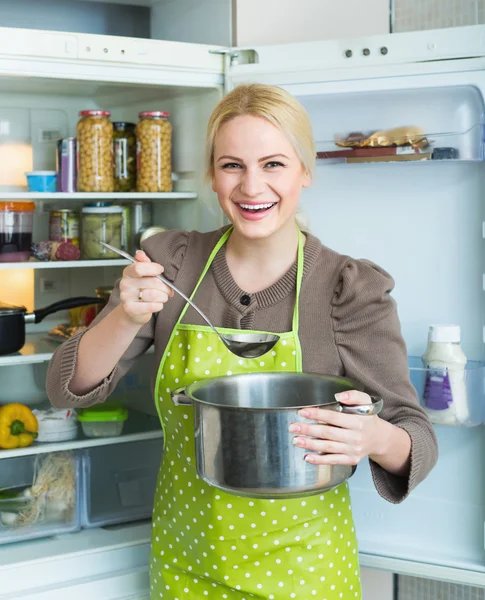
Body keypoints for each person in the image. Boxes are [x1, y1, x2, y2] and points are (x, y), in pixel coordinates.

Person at [47, 83, 438, 600]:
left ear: (306, 170)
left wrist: (372, 439)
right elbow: (63, 388)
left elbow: (418, 437)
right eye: (232, 165)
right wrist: (125, 314)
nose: (252, 187)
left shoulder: (345, 288)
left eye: (273, 164)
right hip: (186, 564)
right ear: (212, 176)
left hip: (305, 573)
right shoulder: (174, 264)